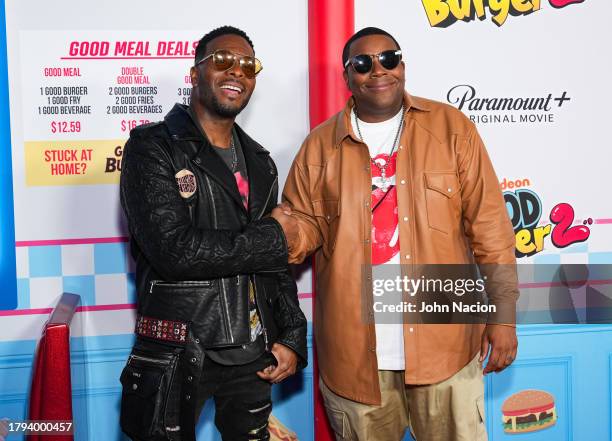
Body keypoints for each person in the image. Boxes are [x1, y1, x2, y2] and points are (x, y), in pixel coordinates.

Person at [277, 27, 518, 441]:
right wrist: (273, 234)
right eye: (362, 63)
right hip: (354, 359)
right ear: (347, 76)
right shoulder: (319, 147)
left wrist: (503, 315)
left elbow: (490, 225)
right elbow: (303, 230)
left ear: (402, 65)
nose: (378, 71)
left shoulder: (450, 128)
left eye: (389, 58)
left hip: (447, 342)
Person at [119, 26, 307, 441]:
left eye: (247, 65)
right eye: (222, 60)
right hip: (178, 351)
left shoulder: (261, 162)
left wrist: (293, 333)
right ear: (194, 72)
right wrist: (274, 235)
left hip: (253, 354)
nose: (236, 72)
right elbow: (174, 251)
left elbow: (273, 265)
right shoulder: (152, 148)